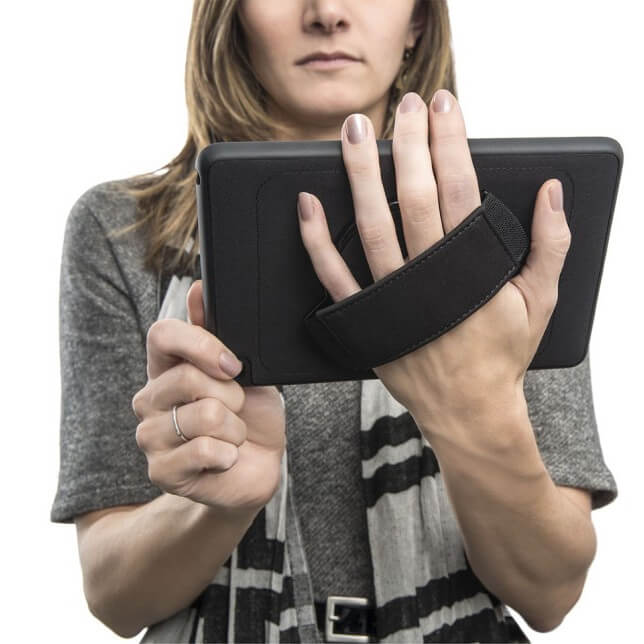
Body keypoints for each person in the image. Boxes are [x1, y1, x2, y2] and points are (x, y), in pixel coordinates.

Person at [50, 1, 618, 642]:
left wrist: (475, 414)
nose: (327, 13)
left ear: (418, 21)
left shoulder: (510, 218)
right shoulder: (121, 232)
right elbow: (113, 595)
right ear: (231, 15)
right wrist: (216, 506)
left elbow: (551, 593)